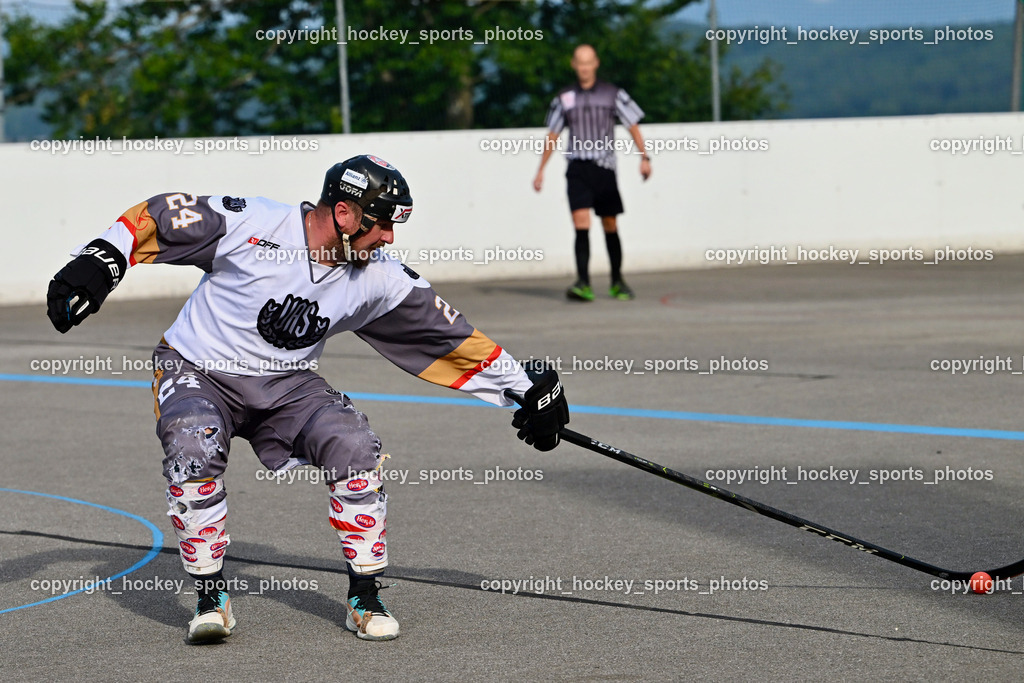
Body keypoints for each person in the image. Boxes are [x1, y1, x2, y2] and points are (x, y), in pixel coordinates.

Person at [45, 154, 570, 644]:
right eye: (382, 223)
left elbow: (451, 337)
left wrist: (528, 392)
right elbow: (161, 214)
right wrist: (103, 260)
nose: (388, 238)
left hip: (288, 383)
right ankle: (211, 597)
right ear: (343, 213)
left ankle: (365, 598)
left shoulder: (380, 277)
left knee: (355, 444)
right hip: (197, 369)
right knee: (193, 446)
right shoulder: (255, 223)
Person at [533, 43, 651, 302]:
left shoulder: (612, 94)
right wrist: (541, 169)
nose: (584, 68)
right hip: (577, 167)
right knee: (580, 223)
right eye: (580, 62)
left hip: (604, 168)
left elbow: (633, 124)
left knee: (609, 223)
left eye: (589, 62)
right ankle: (583, 282)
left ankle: (617, 280)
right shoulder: (564, 98)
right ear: (574, 65)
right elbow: (553, 134)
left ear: (595, 63)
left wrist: (645, 156)